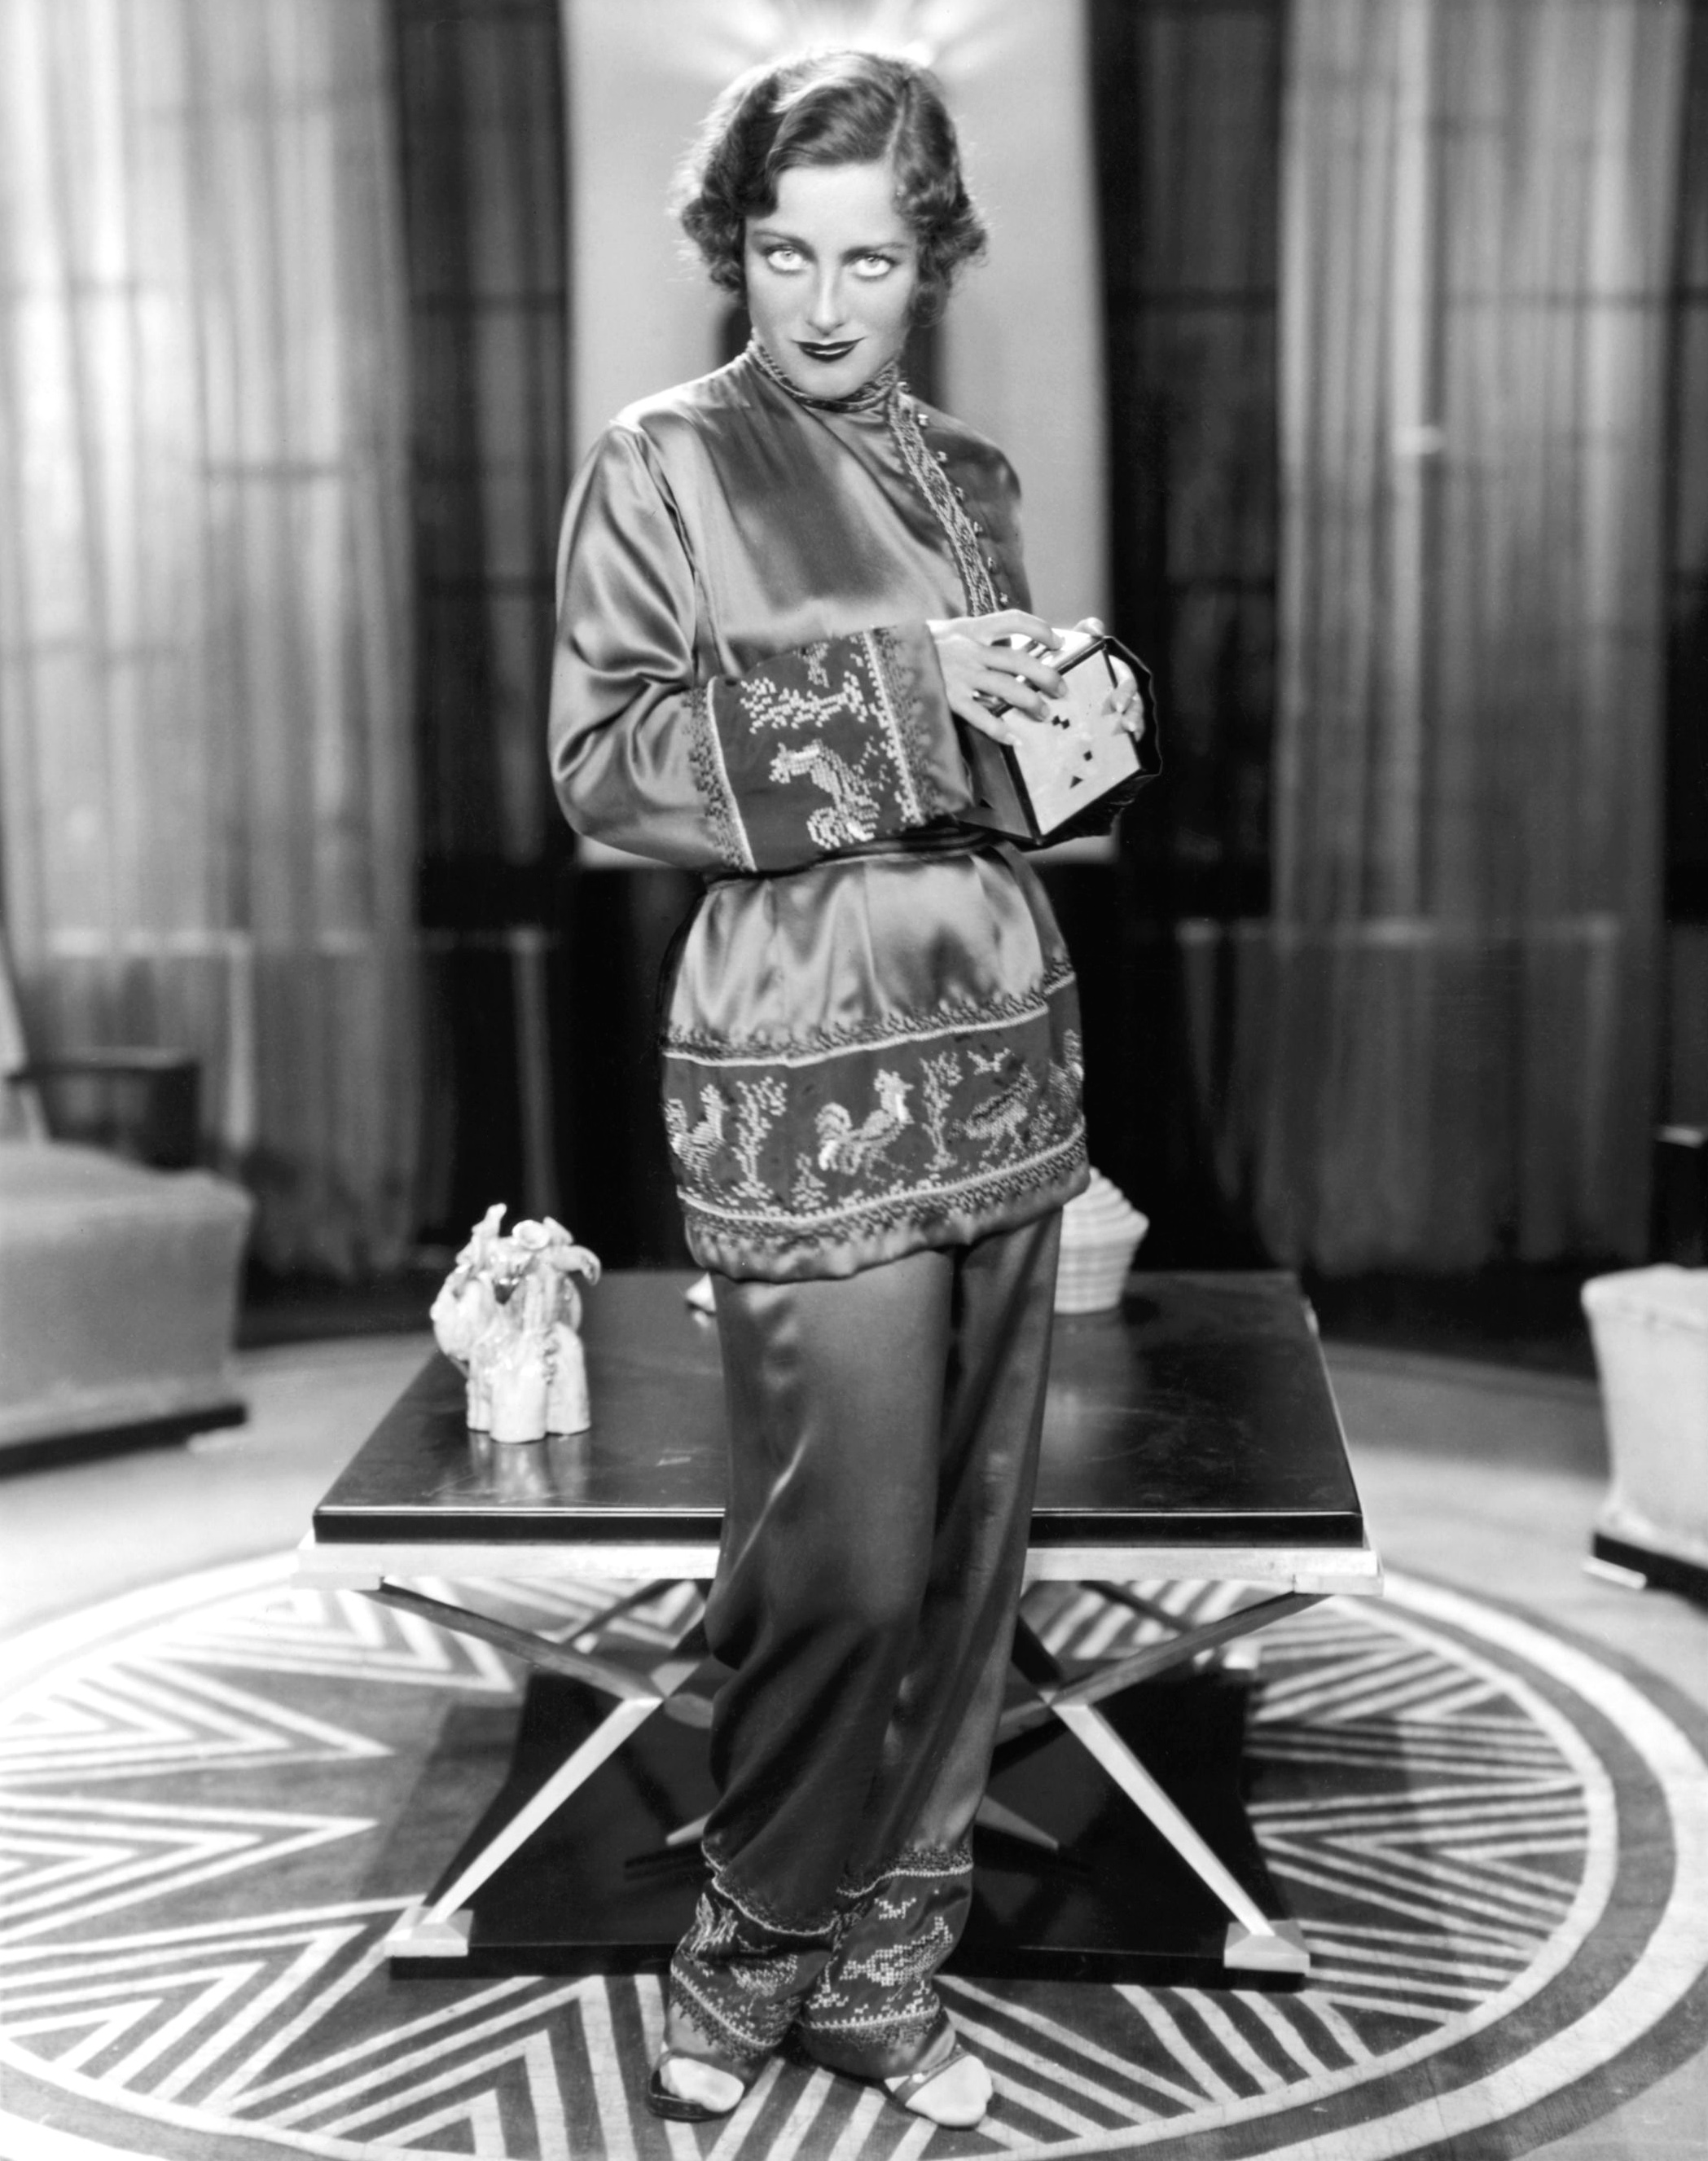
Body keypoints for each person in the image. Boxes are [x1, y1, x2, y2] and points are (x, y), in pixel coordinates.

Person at [548, 48, 1137, 2130]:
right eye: (785, 253)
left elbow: (1007, 786)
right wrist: (907, 688)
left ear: (928, 259)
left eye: (868, 260)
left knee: (972, 1551)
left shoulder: (971, 476)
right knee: (843, 1558)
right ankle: (749, 1943)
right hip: (802, 1050)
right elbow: (608, 765)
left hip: (1002, 1031)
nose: (820, 302)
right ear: (734, 245)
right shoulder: (661, 460)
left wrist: (1072, 723)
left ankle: (886, 1964)